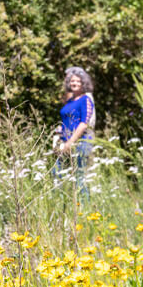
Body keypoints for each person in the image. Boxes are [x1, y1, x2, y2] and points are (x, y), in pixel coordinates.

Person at [56, 66, 96, 198]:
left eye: (78, 81)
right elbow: (64, 121)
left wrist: (70, 142)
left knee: (79, 176)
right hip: (65, 141)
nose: (75, 83)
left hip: (80, 142)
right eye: (72, 81)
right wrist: (58, 138)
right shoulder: (69, 101)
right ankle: (61, 203)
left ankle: (84, 207)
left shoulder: (86, 100)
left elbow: (84, 123)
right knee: (57, 173)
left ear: (83, 83)